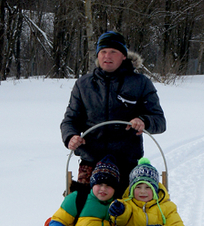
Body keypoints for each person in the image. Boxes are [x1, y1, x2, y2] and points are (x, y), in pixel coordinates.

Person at [60, 31, 166, 191]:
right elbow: (70, 120)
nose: (107, 56)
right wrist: (70, 137)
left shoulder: (140, 83)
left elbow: (159, 121)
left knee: (125, 212)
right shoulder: (84, 85)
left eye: (113, 52)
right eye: (103, 51)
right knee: (83, 211)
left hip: (126, 164)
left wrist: (144, 121)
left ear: (124, 56)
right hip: (90, 163)